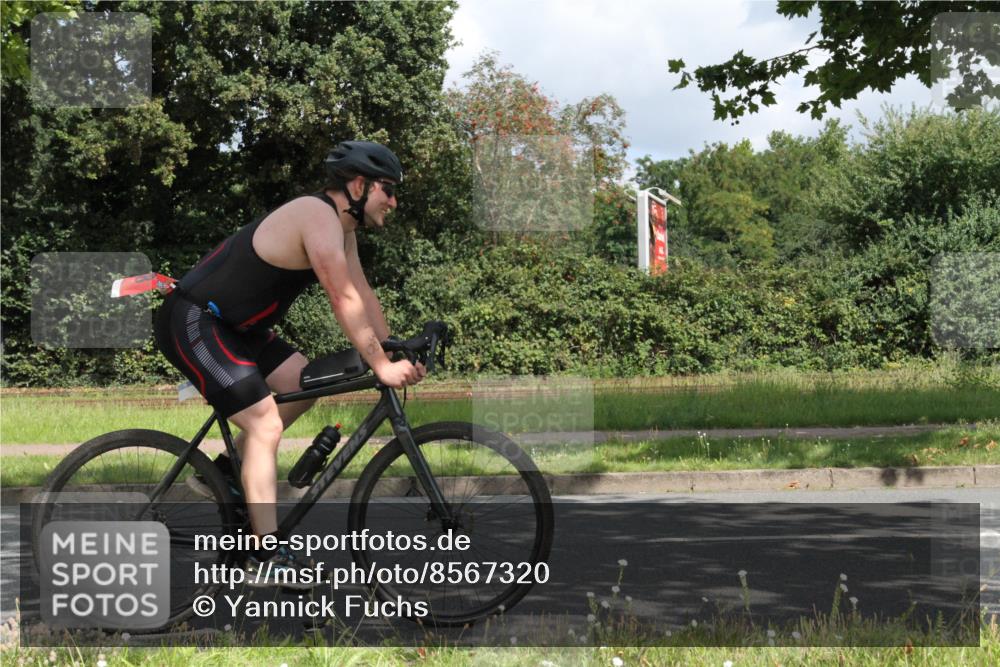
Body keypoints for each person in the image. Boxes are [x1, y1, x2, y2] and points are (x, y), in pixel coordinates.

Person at [153, 140, 426, 587]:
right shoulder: (316, 216)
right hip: (195, 320)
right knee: (265, 425)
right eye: (388, 190)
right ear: (359, 185)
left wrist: (393, 351)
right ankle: (267, 557)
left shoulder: (343, 230)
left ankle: (226, 471)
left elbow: (362, 293)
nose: (393, 202)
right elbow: (341, 299)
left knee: (308, 381)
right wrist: (379, 364)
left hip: (238, 328)